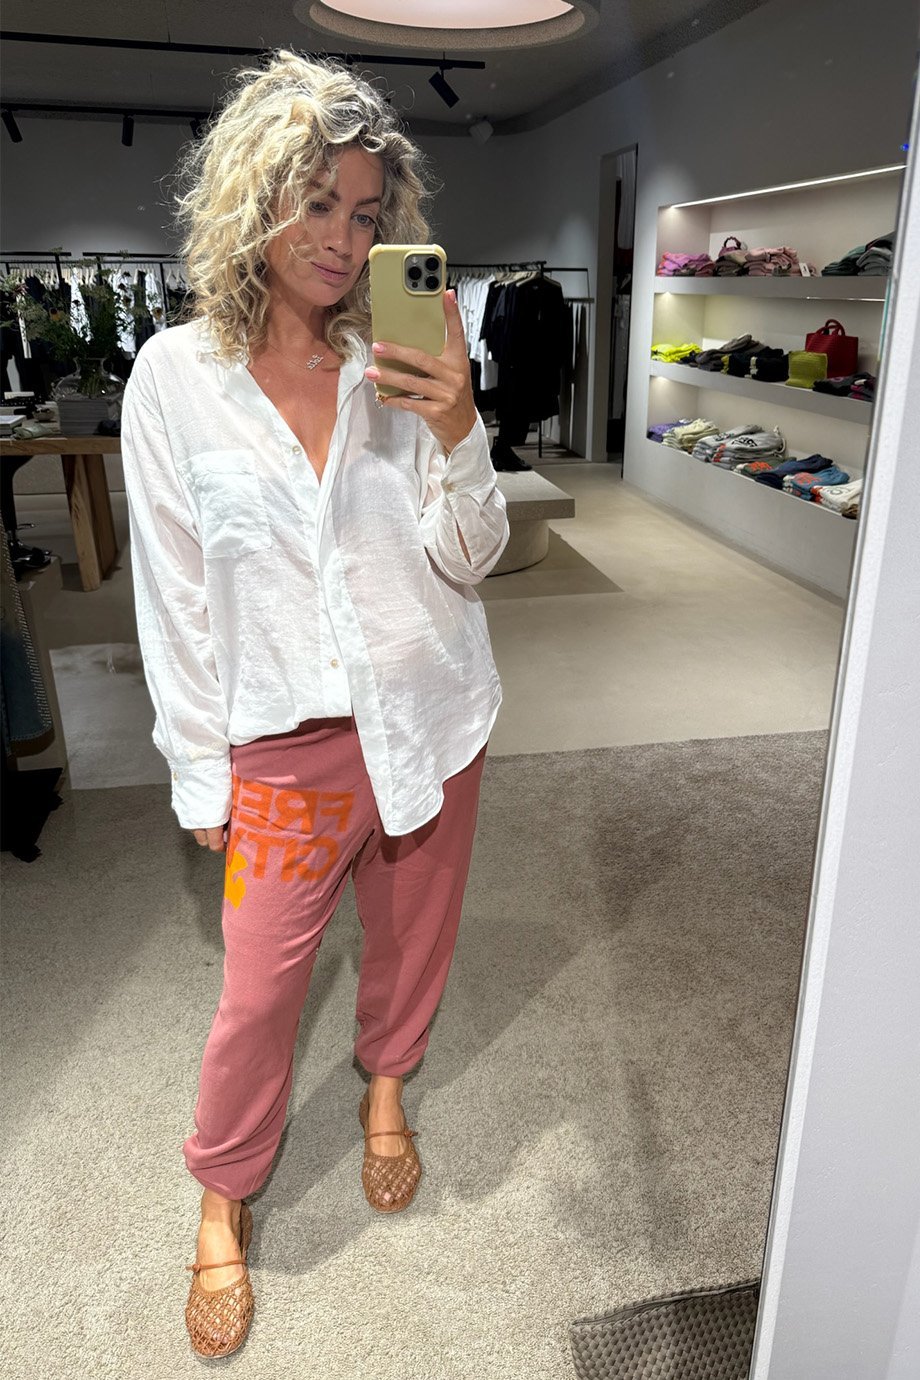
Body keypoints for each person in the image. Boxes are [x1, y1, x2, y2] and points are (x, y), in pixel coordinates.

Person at [120, 50, 509, 1359]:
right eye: (317, 203)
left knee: (410, 939)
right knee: (257, 988)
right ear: (255, 200)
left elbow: (470, 559)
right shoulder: (175, 379)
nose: (344, 239)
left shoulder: (402, 358)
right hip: (282, 751)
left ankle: (386, 1090)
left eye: (366, 212)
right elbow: (175, 597)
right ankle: (224, 1192)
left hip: (429, 714)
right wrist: (199, 771)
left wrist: (460, 431)